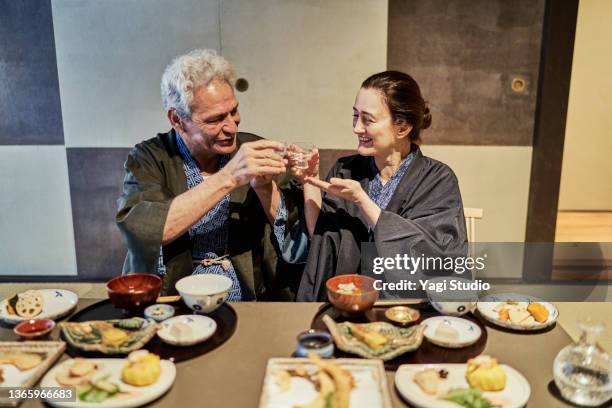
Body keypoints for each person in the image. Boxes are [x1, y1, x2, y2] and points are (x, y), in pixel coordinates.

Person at [116, 49, 303, 299]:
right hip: (175, 294)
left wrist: (265, 188)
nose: (231, 127)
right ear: (177, 119)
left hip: (245, 290)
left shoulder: (252, 149)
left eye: (233, 111)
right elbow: (146, 231)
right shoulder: (148, 158)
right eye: (214, 119)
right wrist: (229, 177)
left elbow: (293, 238)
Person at [292, 71, 468, 301]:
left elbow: (436, 262)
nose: (356, 128)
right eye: (355, 116)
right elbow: (323, 243)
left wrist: (363, 202)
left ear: (402, 127)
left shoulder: (438, 180)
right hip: (348, 302)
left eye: (368, 119)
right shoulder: (346, 170)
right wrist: (309, 179)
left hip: (403, 309)